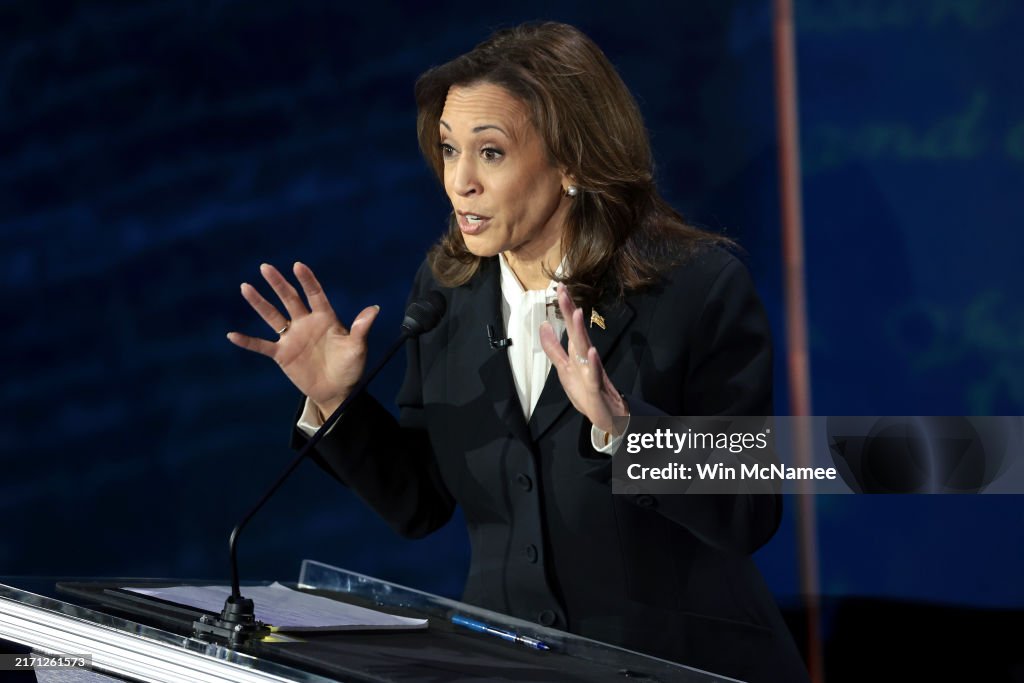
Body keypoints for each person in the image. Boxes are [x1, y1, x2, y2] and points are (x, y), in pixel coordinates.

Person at [228, 22, 808, 683]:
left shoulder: (696, 286)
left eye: (491, 153)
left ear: (573, 162)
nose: (459, 182)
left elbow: (750, 512)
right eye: (448, 151)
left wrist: (623, 431)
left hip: (679, 665)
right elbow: (421, 503)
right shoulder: (448, 292)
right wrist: (336, 402)